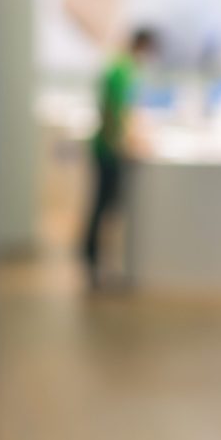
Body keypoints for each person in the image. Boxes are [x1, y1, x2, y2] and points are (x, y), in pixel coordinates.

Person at [81, 27, 158, 286]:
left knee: (104, 207)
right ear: (143, 46)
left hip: (107, 147)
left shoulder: (120, 68)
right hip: (108, 150)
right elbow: (115, 113)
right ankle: (95, 263)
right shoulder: (121, 71)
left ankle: (97, 262)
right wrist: (125, 143)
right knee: (105, 207)